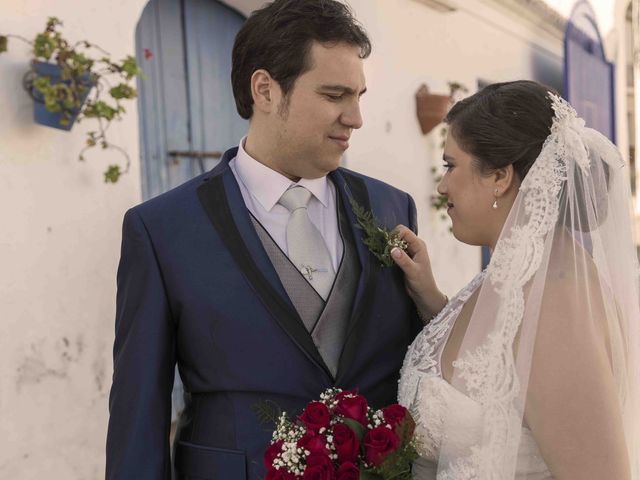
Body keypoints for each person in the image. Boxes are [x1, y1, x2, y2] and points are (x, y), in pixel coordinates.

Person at [105, 1, 422, 479]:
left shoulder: (393, 210)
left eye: (359, 95)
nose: (355, 117)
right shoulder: (162, 229)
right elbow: (139, 410)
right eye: (335, 95)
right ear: (266, 90)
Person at [393, 80, 640, 479]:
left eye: (451, 165)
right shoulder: (510, 273)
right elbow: (491, 365)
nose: (442, 185)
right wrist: (432, 301)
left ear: (500, 177)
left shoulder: (558, 298)